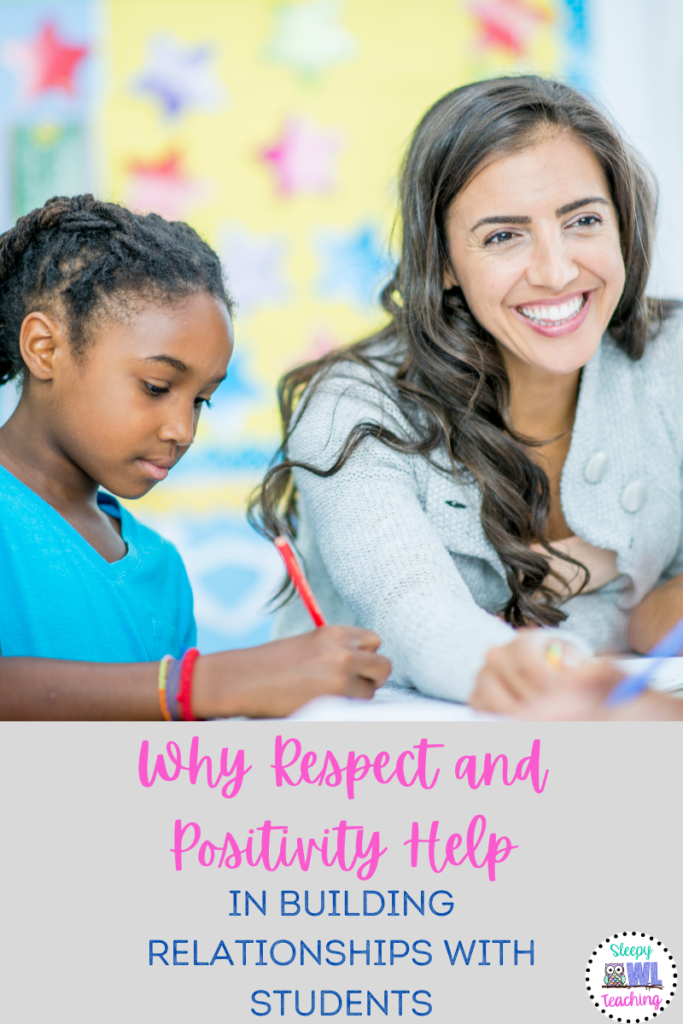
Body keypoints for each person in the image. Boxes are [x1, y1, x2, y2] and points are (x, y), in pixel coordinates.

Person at [250, 76, 683, 711]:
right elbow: (420, 621)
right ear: (444, 262)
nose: (557, 270)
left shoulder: (670, 359)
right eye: (504, 236)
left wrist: (652, 622)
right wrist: (596, 697)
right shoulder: (352, 409)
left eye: (583, 220)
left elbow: (655, 620)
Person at [0, 195, 390, 720]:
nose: (183, 431)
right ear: (46, 348)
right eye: (157, 386)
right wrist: (198, 685)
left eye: (201, 400)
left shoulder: (161, 569)